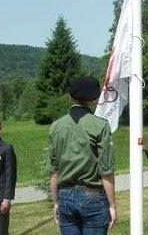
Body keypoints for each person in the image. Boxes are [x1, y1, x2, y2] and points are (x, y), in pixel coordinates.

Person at [47, 75, 118, 234]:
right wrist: (112, 205)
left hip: (65, 196)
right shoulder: (100, 126)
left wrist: (56, 202)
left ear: (69, 96)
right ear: (94, 99)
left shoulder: (56, 127)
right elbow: (106, 171)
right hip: (93, 197)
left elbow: (53, 170)